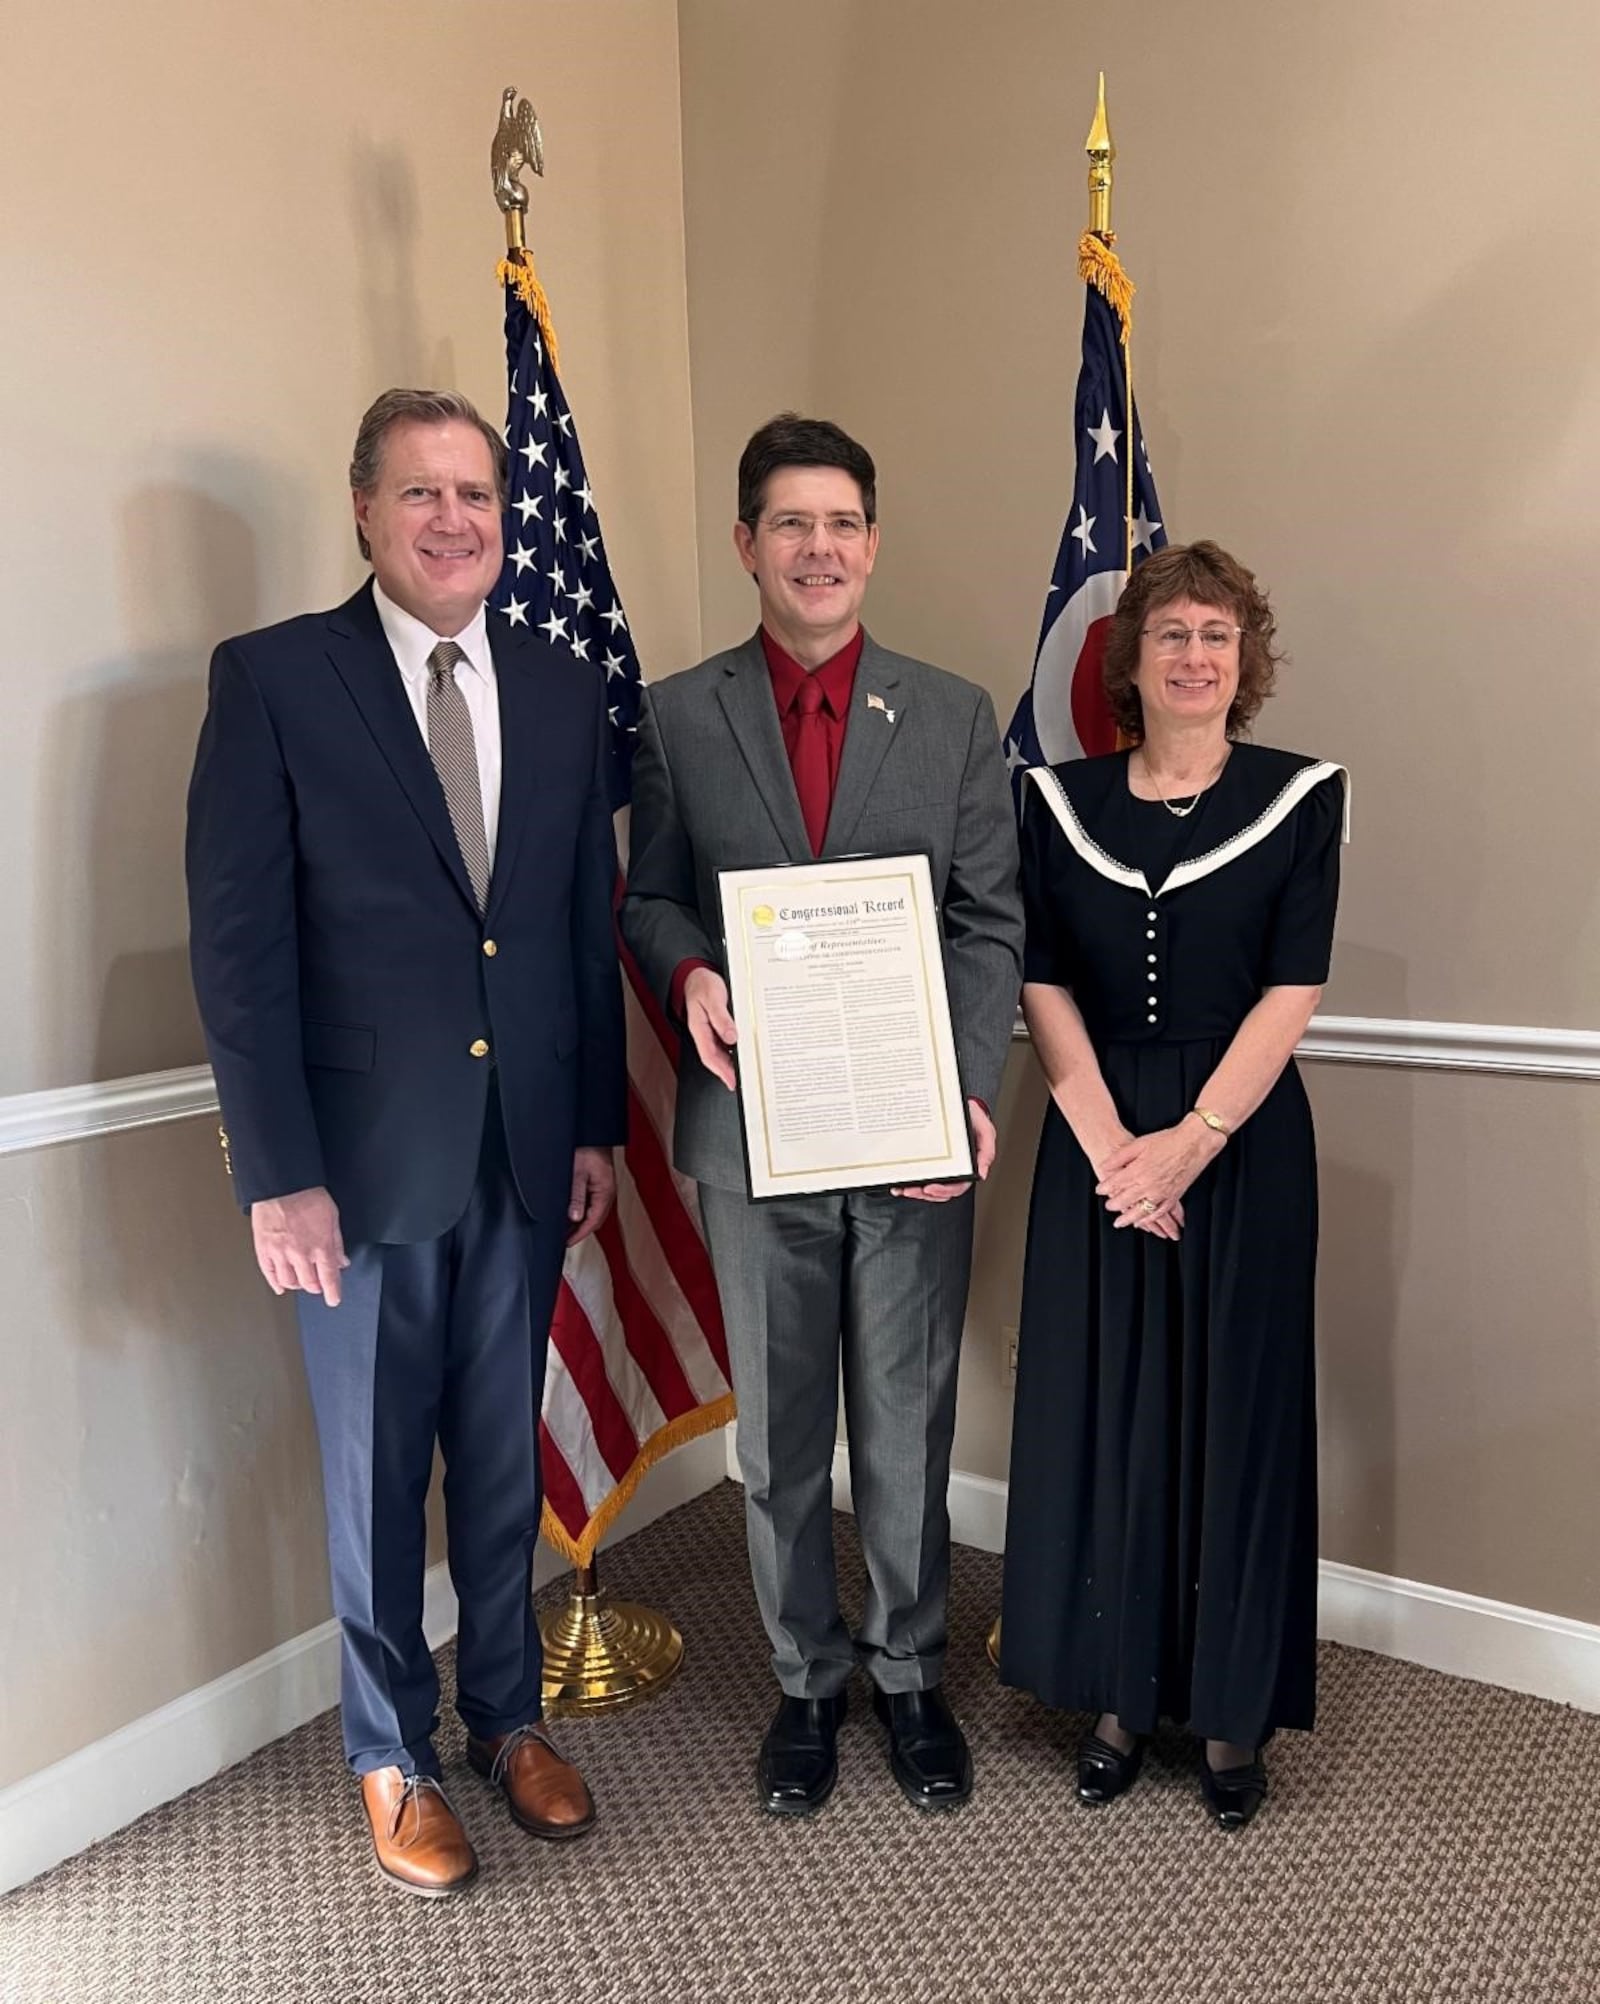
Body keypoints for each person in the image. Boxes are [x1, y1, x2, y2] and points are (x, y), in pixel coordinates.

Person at [186, 388, 627, 1896]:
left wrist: (591, 1129)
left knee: (502, 1464)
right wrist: (276, 1173)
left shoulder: (563, 689)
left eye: (478, 496)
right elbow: (239, 953)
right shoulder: (275, 681)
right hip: (356, 1176)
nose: (457, 521)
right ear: (365, 512)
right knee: (376, 1484)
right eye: (423, 494)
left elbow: (575, 930)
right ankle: (390, 1751)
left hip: (520, 1157)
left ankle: (506, 1719)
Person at [621, 414, 1023, 1815]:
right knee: (782, 1435)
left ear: (873, 543)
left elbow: (989, 923)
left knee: (906, 1419)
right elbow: (650, 892)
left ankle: (909, 1674)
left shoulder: (958, 714)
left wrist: (968, 1085)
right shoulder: (676, 714)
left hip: (911, 1134)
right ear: (747, 545)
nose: (819, 548)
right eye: (790, 524)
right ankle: (807, 1683)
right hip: (755, 1138)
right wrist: (687, 972)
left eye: (843, 522)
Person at [999, 540, 1346, 1832]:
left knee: (1233, 1419)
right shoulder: (1056, 802)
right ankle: (1114, 1693)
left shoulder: (1301, 797)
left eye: (1217, 634)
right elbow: (1039, 981)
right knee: (1109, 1409)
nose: (1195, 654)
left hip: (1242, 1146)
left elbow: (1292, 992)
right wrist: (1110, 1153)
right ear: (1127, 663)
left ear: (1243, 661)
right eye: (1171, 634)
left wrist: (1187, 1146)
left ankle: (1229, 1712)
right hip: (1095, 1146)